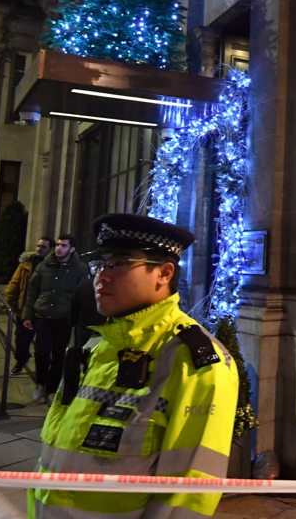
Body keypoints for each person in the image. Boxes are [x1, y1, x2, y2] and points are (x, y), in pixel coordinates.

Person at [28, 213, 238, 519]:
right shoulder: (95, 348)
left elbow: (185, 498)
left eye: (120, 263)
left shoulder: (193, 363)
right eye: (100, 265)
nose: (101, 276)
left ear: (164, 273)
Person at [23, 234, 90, 404]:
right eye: (58, 245)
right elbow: (33, 290)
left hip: (64, 317)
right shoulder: (45, 265)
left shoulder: (79, 268)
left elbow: (82, 294)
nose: (59, 248)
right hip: (43, 315)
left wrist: (77, 317)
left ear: (72, 249)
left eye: (64, 245)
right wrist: (27, 313)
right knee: (41, 352)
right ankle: (41, 383)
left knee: (59, 355)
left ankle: (52, 389)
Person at [3, 237, 55, 375]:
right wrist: (7, 301)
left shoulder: (54, 265)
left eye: (43, 247)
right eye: (38, 246)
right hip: (26, 308)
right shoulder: (26, 264)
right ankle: (21, 360)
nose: (39, 249)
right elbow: (15, 283)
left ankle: (43, 371)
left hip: (43, 309)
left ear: (51, 249)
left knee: (43, 343)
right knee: (21, 339)